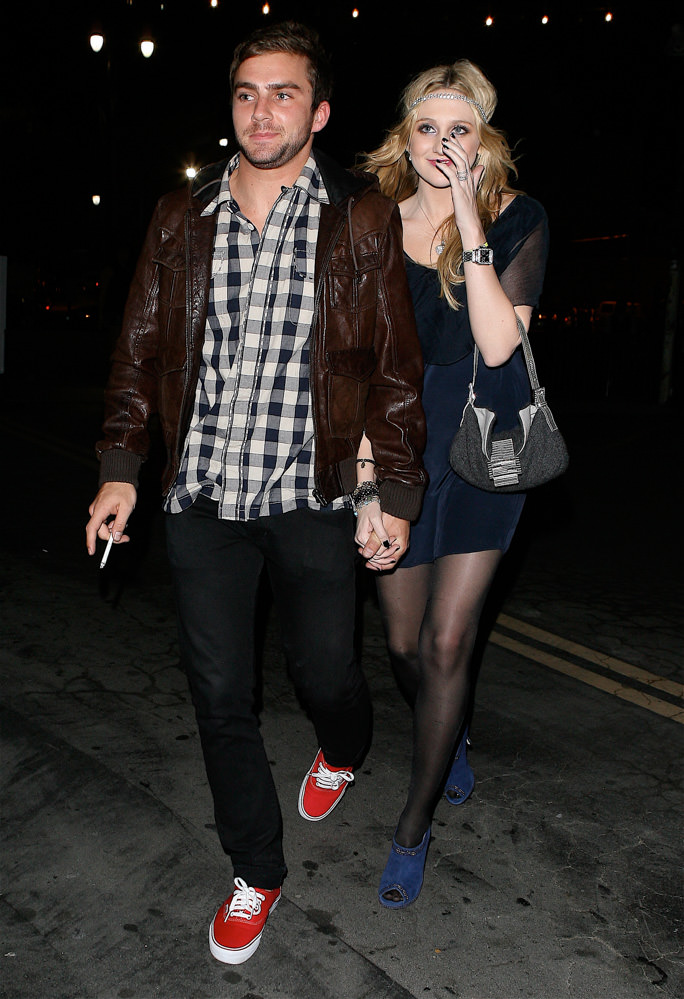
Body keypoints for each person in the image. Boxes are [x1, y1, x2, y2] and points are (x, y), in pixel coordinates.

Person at [85, 21, 426, 963]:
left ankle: (346, 746)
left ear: (318, 111)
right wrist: (122, 469)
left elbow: (397, 365)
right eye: (245, 92)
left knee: (328, 676)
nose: (260, 109)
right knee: (219, 692)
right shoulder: (179, 217)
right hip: (202, 500)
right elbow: (137, 353)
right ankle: (256, 869)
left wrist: (394, 488)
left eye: (282, 93)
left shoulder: (358, 216)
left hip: (312, 493)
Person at [356, 60, 549, 907]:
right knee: (403, 645)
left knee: (445, 643)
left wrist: (469, 216)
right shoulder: (369, 222)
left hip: (482, 442)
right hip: (397, 441)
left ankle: (413, 825)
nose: (442, 145)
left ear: (484, 139)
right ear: (406, 136)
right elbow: (353, 366)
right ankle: (451, 723)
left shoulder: (519, 218)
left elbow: (500, 344)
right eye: (427, 128)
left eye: (459, 129)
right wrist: (366, 478)